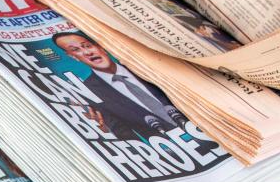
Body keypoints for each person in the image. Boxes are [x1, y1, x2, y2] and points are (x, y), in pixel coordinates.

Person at [52, 31, 188, 138]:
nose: (87, 52)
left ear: (100, 47)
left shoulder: (140, 63)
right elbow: (125, 135)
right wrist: (104, 132)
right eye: (76, 50)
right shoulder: (88, 92)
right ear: (73, 57)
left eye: (87, 46)